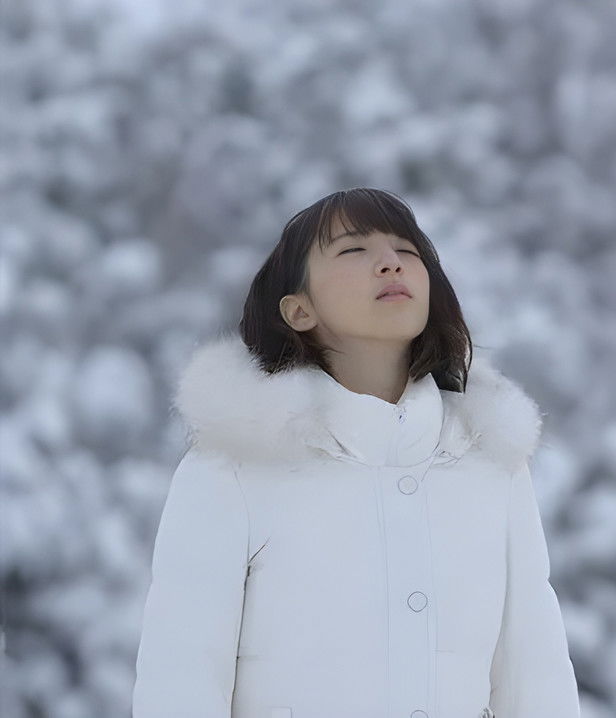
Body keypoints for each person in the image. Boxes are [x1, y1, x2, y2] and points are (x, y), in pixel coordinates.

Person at [131, 188, 581, 718]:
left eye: (407, 250)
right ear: (299, 309)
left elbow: (534, 673)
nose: (391, 263)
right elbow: (180, 678)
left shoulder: (491, 463)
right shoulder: (233, 465)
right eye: (353, 250)